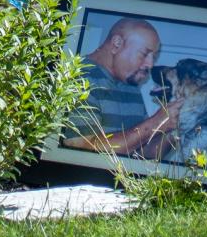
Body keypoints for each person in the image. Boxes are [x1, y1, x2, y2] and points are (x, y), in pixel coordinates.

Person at [61, 18, 184, 159]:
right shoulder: (77, 77)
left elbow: (145, 153)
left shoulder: (130, 85)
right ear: (117, 44)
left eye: (153, 57)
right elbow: (81, 149)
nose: (150, 64)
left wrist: (175, 128)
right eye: (144, 54)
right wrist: (155, 123)